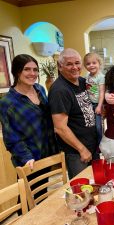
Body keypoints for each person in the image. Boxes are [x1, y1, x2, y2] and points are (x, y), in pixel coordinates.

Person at [0, 54, 58, 199]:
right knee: (28, 197)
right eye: (27, 69)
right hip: (29, 158)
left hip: (46, 151)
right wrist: (26, 157)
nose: (32, 73)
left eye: (35, 69)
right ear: (17, 71)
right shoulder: (7, 102)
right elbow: (10, 136)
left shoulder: (39, 89)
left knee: (42, 193)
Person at [48, 48, 98, 179]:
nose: (74, 67)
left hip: (93, 145)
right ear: (60, 66)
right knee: (82, 190)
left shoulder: (83, 81)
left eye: (77, 63)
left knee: (96, 185)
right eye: (69, 64)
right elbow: (60, 128)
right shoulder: (59, 90)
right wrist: (82, 149)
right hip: (76, 152)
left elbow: (96, 95)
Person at [84, 52, 105, 145]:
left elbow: (102, 92)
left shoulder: (101, 77)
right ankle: (93, 143)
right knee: (90, 126)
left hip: (97, 104)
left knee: (98, 127)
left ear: (99, 64)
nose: (91, 65)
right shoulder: (87, 76)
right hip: (88, 104)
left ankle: (100, 144)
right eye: (88, 64)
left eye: (94, 63)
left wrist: (99, 106)